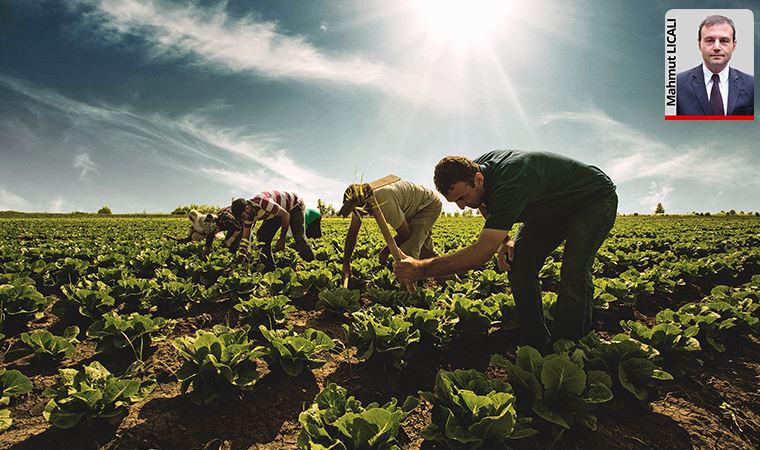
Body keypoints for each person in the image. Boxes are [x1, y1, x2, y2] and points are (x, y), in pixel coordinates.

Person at [393, 150, 617, 349]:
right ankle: (535, 339)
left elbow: (482, 251)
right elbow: (483, 204)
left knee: (574, 271)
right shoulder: (476, 172)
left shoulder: (511, 179)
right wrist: (505, 240)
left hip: (591, 200)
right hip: (548, 209)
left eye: (463, 197)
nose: (462, 206)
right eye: (455, 202)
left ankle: (569, 347)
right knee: (518, 264)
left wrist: (420, 269)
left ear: (478, 179)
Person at [338, 179, 442, 281]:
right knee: (426, 252)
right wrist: (346, 262)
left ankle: (407, 294)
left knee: (408, 250)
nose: (358, 214)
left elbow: (405, 233)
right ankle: (452, 279)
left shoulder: (382, 200)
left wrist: (386, 251)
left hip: (427, 205)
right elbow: (353, 232)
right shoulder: (362, 202)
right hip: (413, 208)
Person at [677, 15, 754, 116]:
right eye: (710, 40)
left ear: (734, 45)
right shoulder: (677, 85)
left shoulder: (752, 85)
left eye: (724, 41)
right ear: (699, 44)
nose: (717, 47)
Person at [230, 191, 315, 271]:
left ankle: (313, 265)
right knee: (262, 236)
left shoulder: (263, 202)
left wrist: (282, 239)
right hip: (277, 212)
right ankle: (269, 269)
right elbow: (245, 240)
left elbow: (286, 215)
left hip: (294, 205)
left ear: (247, 208)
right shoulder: (249, 217)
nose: (244, 220)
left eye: (243, 217)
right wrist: (240, 262)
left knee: (298, 237)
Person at [166, 208, 241, 259]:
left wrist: (231, 239)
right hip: (213, 232)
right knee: (196, 236)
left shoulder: (225, 220)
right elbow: (206, 241)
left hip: (234, 225)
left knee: (229, 243)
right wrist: (204, 255)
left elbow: (238, 228)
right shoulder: (206, 230)